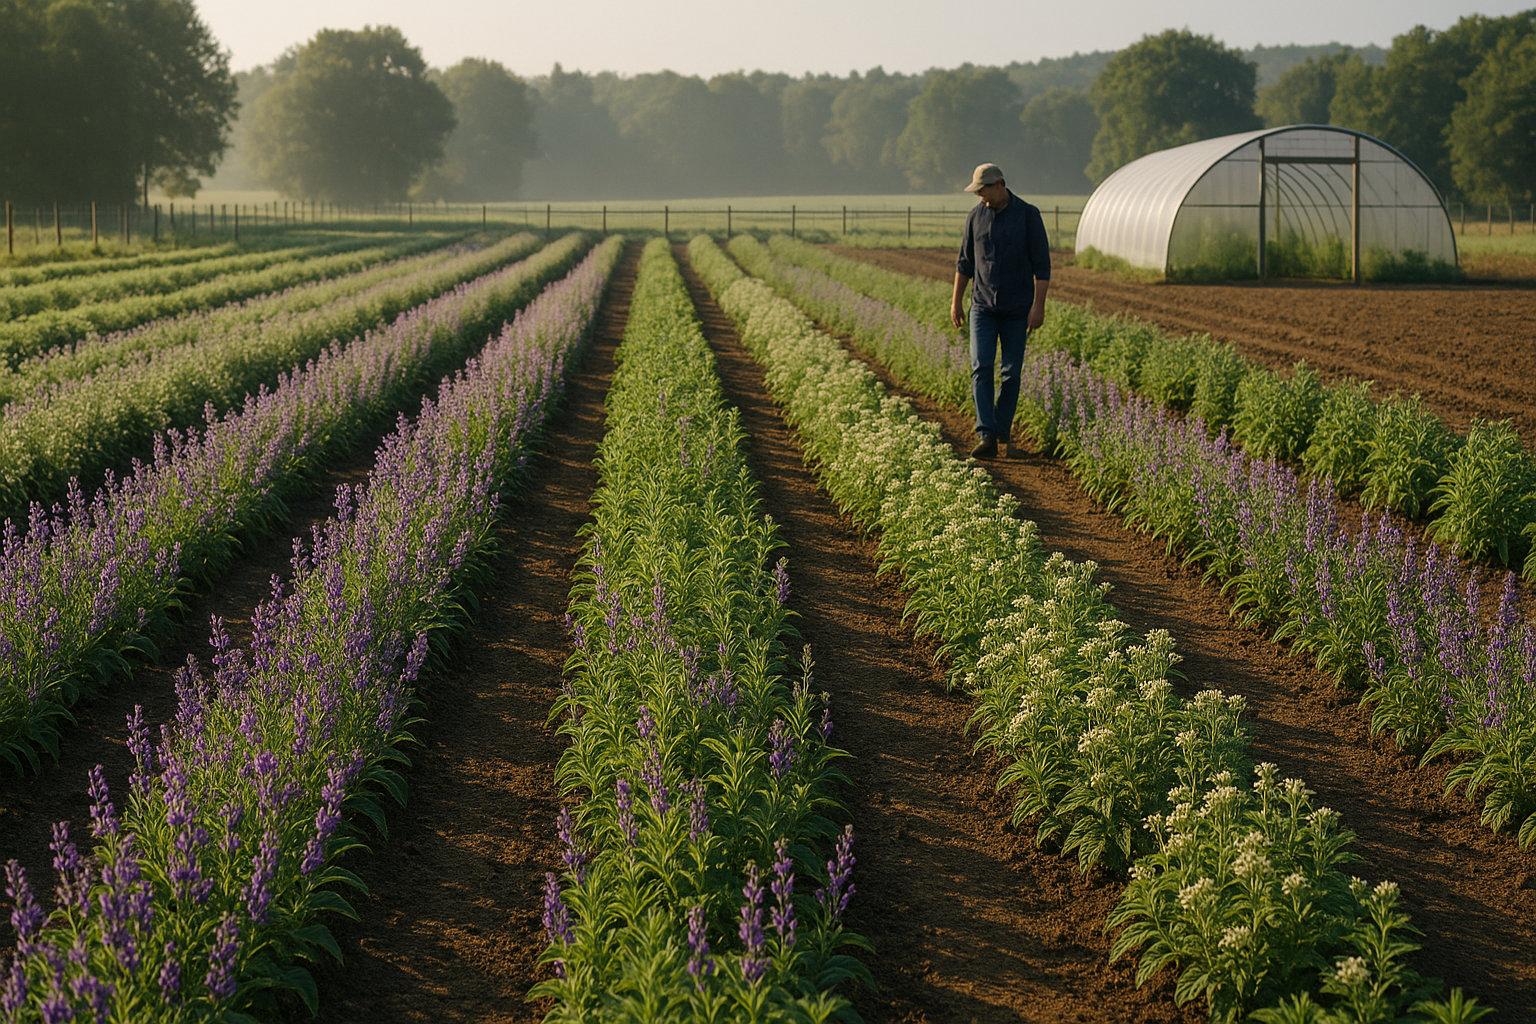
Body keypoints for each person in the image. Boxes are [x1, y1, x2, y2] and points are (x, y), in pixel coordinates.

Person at [950, 162, 1051, 459]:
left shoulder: (1028, 216)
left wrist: (1038, 306)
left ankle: (1000, 430)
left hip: (1017, 309)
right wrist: (956, 300)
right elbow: (964, 263)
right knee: (981, 367)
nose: (980, 196)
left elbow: (1042, 267)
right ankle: (986, 435)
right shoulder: (975, 217)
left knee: (1011, 373)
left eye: (983, 190)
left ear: (1000, 184)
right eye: (977, 191)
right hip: (982, 307)